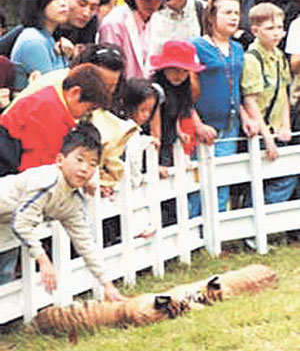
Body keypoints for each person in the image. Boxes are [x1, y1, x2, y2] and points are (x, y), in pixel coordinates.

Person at [0, 122, 126, 302]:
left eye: (92, 164)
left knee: (5, 272)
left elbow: (84, 242)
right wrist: (44, 261)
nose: (84, 169)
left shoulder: (72, 200)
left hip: (5, 223)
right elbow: (22, 223)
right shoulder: (46, 180)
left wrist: (107, 285)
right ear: (60, 160)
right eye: (79, 160)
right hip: (9, 217)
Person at [4, 43, 138, 198]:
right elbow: (38, 165)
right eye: (101, 83)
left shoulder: (76, 103)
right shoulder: (51, 101)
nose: (105, 91)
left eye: (111, 86)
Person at [192, 0, 261, 212]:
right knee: (197, 184)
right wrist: (197, 124)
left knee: (223, 180)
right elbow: (184, 92)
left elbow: (236, 89)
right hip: (202, 125)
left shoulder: (238, 48)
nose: (234, 18)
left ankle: (218, 235)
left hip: (230, 125)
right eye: (227, 12)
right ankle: (195, 238)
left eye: (236, 13)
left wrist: (246, 117)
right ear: (211, 17)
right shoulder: (195, 46)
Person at [0, 63, 108, 172]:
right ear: (75, 92)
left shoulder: (50, 97)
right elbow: (35, 169)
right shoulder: (50, 112)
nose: (86, 115)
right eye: (88, 109)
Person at [241, 2, 297, 206]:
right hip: (258, 128)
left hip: (276, 127)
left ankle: (266, 219)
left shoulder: (279, 56)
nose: (277, 33)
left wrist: (285, 125)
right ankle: (252, 225)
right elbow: (250, 101)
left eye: (280, 28)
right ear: (255, 31)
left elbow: (283, 92)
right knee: (256, 177)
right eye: (270, 28)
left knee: (285, 174)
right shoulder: (251, 58)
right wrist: (268, 138)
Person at [149, 40, 206, 178]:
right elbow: (154, 128)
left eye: (184, 71)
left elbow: (172, 115)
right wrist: (156, 161)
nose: (179, 75)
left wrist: (179, 132)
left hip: (169, 143)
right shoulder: (156, 90)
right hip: (153, 147)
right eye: (174, 69)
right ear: (164, 68)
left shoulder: (182, 90)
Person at [100, 0, 171, 78]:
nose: (153, 5)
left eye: (157, 0)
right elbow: (110, 65)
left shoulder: (160, 21)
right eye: (146, 0)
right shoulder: (114, 23)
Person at [10, 0, 70, 90]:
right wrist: (65, 56)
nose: (63, 4)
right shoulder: (33, 41)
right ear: (38, 3)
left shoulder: (47, 37)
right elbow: (54, 88)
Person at [122, 78, 161, 238]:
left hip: (134, 178)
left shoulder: (135, 130)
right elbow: (130, 151)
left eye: (149, 110)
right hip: (126, 178)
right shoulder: (124, 128)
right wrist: (146, 141)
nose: (146, 115)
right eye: (142, 109)